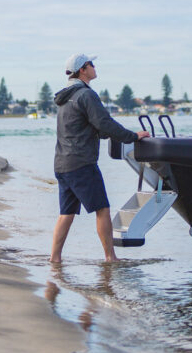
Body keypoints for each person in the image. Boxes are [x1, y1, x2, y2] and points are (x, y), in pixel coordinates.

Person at [50, 53, 150, 263]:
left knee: (67, 212)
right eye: (91, 64)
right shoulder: (86, 95)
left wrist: (106, 133)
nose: (95, 67)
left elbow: (90, 127)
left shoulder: (65, 97)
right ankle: (110, 257)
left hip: (62, 163)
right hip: (81, 163)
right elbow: (105, 123)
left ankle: (55, 258)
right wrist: (132, 136)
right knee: (102, 208)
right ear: (83, 70)